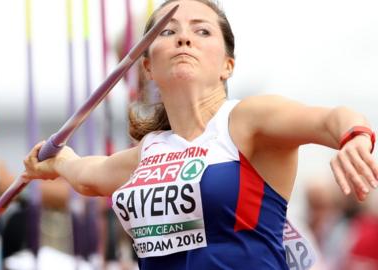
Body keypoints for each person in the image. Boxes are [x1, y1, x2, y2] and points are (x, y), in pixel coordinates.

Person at [22, 0, 378, 269]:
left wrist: (355, 136)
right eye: (168, 31)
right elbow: (87, 177)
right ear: (148, 66)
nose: (184, 38)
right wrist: (57, 161)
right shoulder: (148, 152)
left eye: (202, 31)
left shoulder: (246, 121)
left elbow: (331, 118)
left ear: (227, 65)